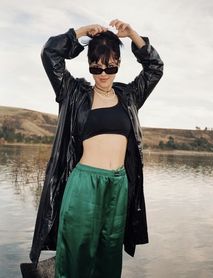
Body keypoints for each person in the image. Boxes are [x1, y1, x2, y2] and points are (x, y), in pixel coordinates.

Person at [29, 19, 164, 278]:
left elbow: (155, 68)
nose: (103, 74)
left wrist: (132, 34)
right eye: (96, 67)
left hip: (119, 186)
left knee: (110, 256)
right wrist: (81, 33)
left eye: (110, 66)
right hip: (84, 185)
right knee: (75, 254)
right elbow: (50, 53)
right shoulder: (74, 93)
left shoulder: (130, 96)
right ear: (89, 64)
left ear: (118, 64)